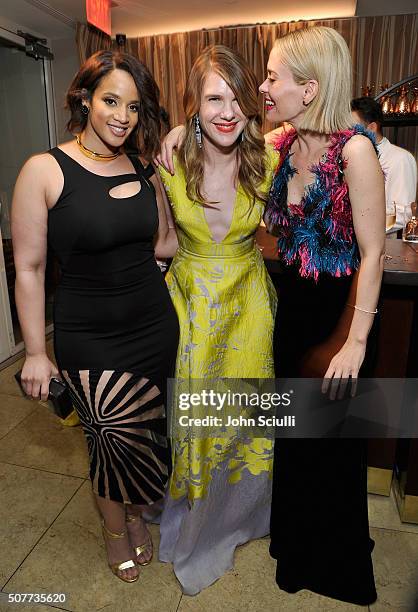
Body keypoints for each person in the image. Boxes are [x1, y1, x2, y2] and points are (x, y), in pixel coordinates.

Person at [11, 50, 179, 583]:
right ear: (84, 98)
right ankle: (117, 531)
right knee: (109, 440)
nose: (122, 116)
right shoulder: (44, 169)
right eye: (111, 100)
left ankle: (136, 513)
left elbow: (164, 244)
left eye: (133, 106)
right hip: (90, 336)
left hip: (153, 326)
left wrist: (166, 184)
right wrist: (37, 352)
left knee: (147, 436)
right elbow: (30, 269)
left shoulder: (140, 165)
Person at [260, 27, 385, 605]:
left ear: (308, 88)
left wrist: (355, 341)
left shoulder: (354, 150)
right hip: (295, 316)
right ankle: (296, 547)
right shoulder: (285, 143)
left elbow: (373, 252)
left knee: (331, 448)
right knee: (297, 439)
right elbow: (221, 138)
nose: (264, 87)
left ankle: (334, 565)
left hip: (341, 318)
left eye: (272, 77)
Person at [156, 45, 278, 595]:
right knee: (198, 417)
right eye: (213, 99)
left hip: (250, 302)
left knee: (246, 414)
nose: (227, 111)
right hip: (193, 307)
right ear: (193, 106)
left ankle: (243, 514)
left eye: (236, 98)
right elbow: (161, 241)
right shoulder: (170, 163)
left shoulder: (270, 159)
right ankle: (198, 510)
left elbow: (330, 129)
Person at [351, 96, 417, 228]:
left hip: (385, 244)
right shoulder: (346, 157)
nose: (347, 133)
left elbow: (402, 214)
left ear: (372, 128)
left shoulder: (400, 158)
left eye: (352, 128)